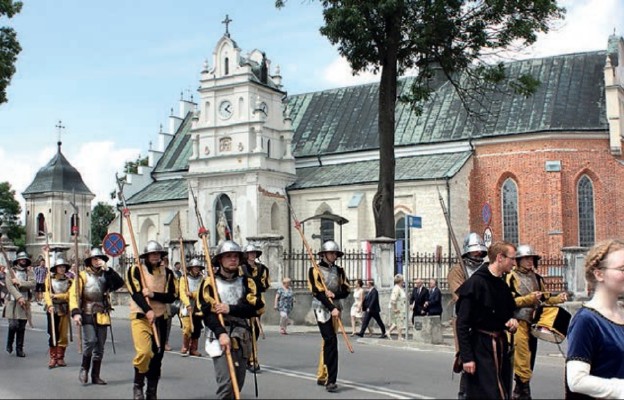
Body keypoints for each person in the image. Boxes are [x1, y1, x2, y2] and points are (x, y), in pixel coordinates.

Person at [199, 240, 264, 399]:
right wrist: (221, 333)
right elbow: (207, 313)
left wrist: (230, 308)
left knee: (238, 383)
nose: (233, 259)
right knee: (227, 383)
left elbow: (256, 308)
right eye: (228, 256)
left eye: (235, 256)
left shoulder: (247, 283)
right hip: (219, 334)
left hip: (242, 334)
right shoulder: (210, 283)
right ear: (220, 259)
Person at [456, 241, 518, 399]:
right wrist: (467, 357)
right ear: (500, 258)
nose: (514, 263)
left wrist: (511, 322)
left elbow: (506, 315)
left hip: (500, 346)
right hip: (480, 348)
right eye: (512, 258)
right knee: (490, 394)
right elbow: (462, 324)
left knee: (502, 390)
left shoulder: (502, 285)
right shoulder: (475, 283)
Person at [506, 244, 568, 399]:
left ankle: (520, 390)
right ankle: (523, 392)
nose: (529, 261)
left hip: (532, 323)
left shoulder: (537, 278)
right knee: (522, 358)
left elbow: (545, 297)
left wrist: (558, 298)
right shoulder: (511, 277)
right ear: (518, 260)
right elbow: (509, 301)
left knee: (530, 357)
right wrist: (529, 298)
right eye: (526, 258)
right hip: (518, 322)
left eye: (531, 258)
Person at [565, 239, 624, 399]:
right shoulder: (586, 320)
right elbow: (576, 380)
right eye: (622, 269)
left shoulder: (621, 313)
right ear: (599, 274)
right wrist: (619, 389)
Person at [126, 240, 176, 400]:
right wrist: (147, 310)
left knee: (157, 357)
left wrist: (154, 295)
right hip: (141, 316)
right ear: (146, 256)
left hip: (161, 317)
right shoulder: (135, 270)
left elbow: (171, 296)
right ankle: (138, 385)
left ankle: (151, 392)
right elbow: (135, 292)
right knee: (145, 352)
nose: (155, 257)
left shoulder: (168, 273)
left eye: (158, 254)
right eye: (152, 254)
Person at [69, 247, 124, 385]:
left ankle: (95, 375)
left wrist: (109, 270)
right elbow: (74, 294)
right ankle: (84, 368)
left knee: (100, 346)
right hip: (87, 311)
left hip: (102, 312)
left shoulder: (106, 275)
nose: (97, 261)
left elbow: (119, 284)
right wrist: (75, 312)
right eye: (95, 258)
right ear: (90, 261)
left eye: (99, 258)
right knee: (90, 341)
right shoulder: (82, 276)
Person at [447, 232, 488, 399]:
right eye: (474, 251)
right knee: (467, 359)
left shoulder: (485, 269)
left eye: (479, 251)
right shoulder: (457, 271)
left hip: (485, 320)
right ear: (467, 252)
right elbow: (460, 295)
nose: (477, 254)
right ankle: (464, 393)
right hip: (465, 320)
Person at [309, 240, 350, 392]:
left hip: (336, 308)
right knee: (330, 341)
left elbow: (346, 290)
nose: (334, 256)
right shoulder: (315, 270)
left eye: (335, 253)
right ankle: (330, 380)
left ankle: (323, 374)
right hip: (322, 308)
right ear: (324, 254)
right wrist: (330, 306)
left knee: (329, 342)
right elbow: (317, 292)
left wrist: (335, 294)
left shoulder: (339, 271)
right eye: (332, 253)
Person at [242, 243, 269, 372]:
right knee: (249, 331)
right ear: (246, 255)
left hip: (258, 302)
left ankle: (250, 358)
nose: (252, 255)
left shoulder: (262, 268)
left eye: (254, 253)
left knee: (255, 332)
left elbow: (265, 285)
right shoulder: (241, 268)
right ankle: (251, 360)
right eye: (250, 253)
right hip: (246, 302)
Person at [44, 255, 73, 368]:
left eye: (63, 267)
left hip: (64, 309)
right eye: (60, 267)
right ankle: (53, 357)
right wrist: (50, 304)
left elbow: (69, 295)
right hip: (52, 309)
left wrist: (57, 295)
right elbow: (46, 293)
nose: (62, 269)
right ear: (56, 268)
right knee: (53, 334)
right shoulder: (49, 280)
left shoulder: (69, 281)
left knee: (63, 335)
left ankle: (60, 357)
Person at [4, 251, 35, 357]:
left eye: (25, 259)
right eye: (21, 259)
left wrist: (20, 283)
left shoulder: (29, 272)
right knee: (13, 325)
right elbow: (10, 286)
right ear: (17, 260)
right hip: (13, 301)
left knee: (21, 327)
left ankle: (19, 349)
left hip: (25, 302)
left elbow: (32, 283)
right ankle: (9, 343)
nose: (23, 261)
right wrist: (19, 296)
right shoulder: (11, 272)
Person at [179, 257, 205, 356]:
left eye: (198, 267)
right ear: (191, 268)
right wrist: (188, 304)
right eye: (194, 267)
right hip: (187, 307)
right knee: (187, 328)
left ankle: (193, 348)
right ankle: (185, 346)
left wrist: (193, 294)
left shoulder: (202, 279)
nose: (196, 269)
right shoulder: (184, 278)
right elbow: (182, 292)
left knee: (197, 328)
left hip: (198, 306)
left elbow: (201, 292)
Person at [386, 274, 407, 340]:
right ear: (400, 281)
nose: (403, 281)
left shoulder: (400, 288)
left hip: (401, 307)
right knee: (399, 322)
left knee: (396, 322)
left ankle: (388, 332)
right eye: (403, 280)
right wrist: (395, 309)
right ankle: (400, 336)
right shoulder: (396, 288)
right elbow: (393, 299)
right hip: (398, 308)